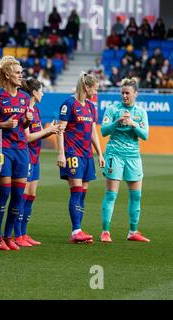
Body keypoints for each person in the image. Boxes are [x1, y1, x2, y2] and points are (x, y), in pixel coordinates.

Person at [0, 56, 32, 251]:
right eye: (18, 72)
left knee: (19, 196)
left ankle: (8, 236)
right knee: (4, 193)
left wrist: (26, 121)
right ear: (7, 74)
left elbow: (23, 126)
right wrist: (2, 124)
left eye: (21, 72)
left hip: (21, 149)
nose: (21, 76)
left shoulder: (25, 98)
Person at [100, 78, 150, 243]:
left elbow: (145, 136)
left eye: (127, 93)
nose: (124, 96)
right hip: (115, 155)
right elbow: (104, 131)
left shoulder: (141, 112)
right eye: (122, 93)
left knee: (136, 196)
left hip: (133, 157)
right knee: (111, 195)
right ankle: (105, 232)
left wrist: (132, 123)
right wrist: (118, 121)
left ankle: (133, 231)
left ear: (136, 94)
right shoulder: (112, 109)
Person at [57, 72, 105, 244]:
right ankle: (76, 230)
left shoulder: (91, 107)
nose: (96, 92)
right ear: (86, 87)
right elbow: (60, 130)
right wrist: (61, 153)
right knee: (76, 191)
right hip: (72, 153)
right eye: (95, 89)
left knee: (82, 194)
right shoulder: (69, 104)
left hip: (86, 155)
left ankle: (78, 230)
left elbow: (93, 132)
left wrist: (99, 153)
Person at [13, 79, 60, 247]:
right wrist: (47, 130)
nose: (43, 93)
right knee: (21, 197)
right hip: (25, 157)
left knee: (31, 196)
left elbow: (37, 134)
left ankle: (24, 233)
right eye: (41, 90)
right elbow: (27, 137)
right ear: (34, 92)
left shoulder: (37, 111)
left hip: (35, 158)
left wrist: (51, 130)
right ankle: (17, 234)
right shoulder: (25, 111)